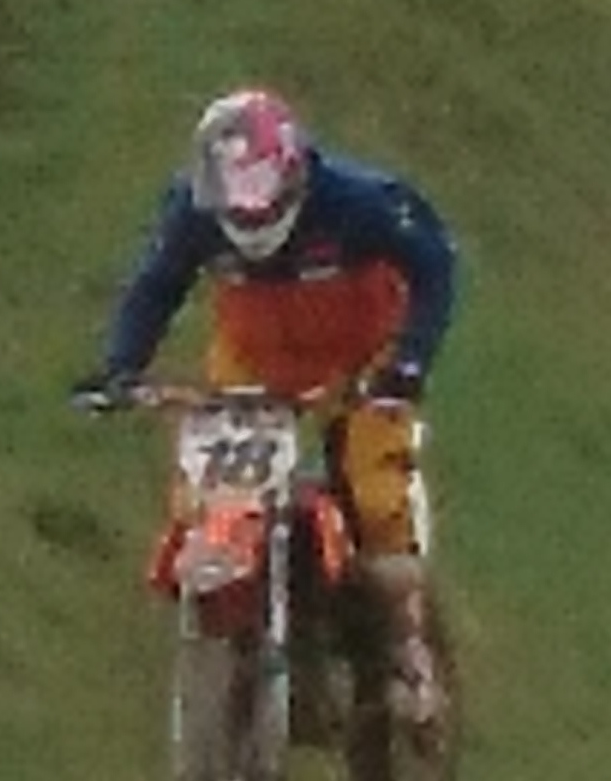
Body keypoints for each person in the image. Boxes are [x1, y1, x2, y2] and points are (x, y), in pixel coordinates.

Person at [76, 85, 460, 716]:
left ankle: (409, 647)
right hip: (252, 363)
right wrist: (121, 367)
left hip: (362, 357)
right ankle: (231, 620)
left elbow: (434, 262)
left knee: (374, 492)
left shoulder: (359, 200)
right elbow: (156, 284)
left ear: (292, 170)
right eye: (233, 198)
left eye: (261, 194)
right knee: (208, 489)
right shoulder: (193, 212)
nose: (250, 216)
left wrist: (410, 361)